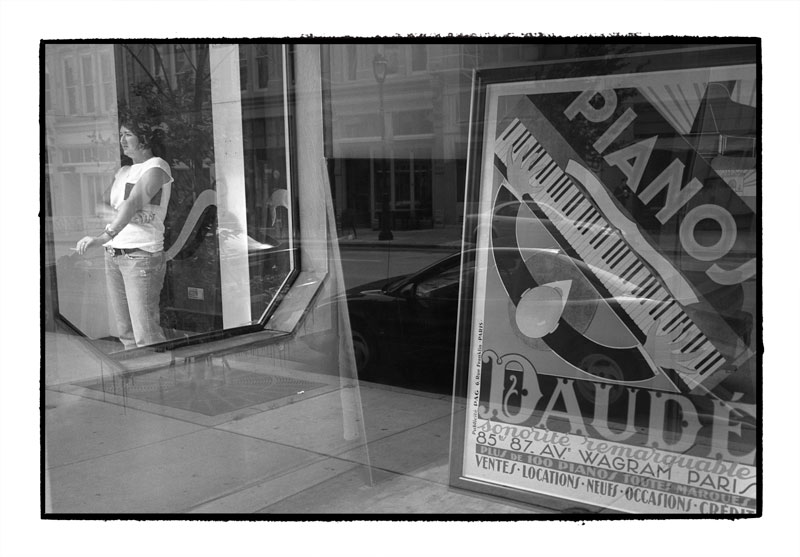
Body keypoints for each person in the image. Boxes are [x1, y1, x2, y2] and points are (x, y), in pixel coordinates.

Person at [75, 118, 173, 349]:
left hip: (141, 254)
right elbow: (101, 207)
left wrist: (102, 237)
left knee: (145, 331)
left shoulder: (157, 167)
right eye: (121, 135)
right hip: (115, 254)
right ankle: (140, 381)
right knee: (126, 331)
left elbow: (131, 204)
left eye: (128, 134)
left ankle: (161, 380)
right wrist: (128, 214)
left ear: (145, 138)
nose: (122, 140)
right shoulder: (124, 171)